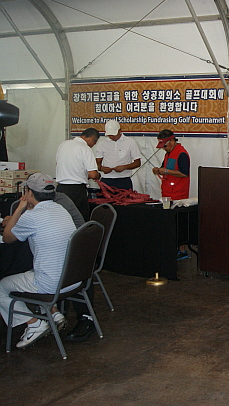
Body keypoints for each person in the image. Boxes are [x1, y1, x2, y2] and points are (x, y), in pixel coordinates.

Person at [0, 173, 77, 349]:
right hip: (71, 279)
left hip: (51, 284)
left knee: (2, 286)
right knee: (31, 272)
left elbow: (7, 237)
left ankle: (34, 324)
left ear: (29, 193)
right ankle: (54, 312)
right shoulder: (60, 209)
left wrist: (20, 208)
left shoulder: (32, 216)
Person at [56, 127, 101, 221]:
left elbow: (58, 164)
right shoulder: (85, 148)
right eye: (95, 143)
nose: (93, 145)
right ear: (91, 138)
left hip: (61, 188)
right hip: (76, 190)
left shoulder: (63, 144)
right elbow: (93, 174)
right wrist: (98, 175)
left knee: (63, 218)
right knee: (79, 219)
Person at [94, 120, 142, 190]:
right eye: (109, 135)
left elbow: (137, 163)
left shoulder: (130, 142)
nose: (111, 137)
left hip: (124, 180)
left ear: (120, 131)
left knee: (125, 197)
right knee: (105, 197)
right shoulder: (102, 143)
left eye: (113, 135)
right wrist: (101, 168)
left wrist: (124, 167)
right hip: (106, 179)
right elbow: (97, 163)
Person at [151, 129, 190, 201]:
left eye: (165, 146)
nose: (163, 148)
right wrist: (158, 170)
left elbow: (184, 173)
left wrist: (166, 171)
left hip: (178, 195)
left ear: (172, 141)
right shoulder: (168, 153)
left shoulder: (182, 154)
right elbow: (164, 168)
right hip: (166, 193)